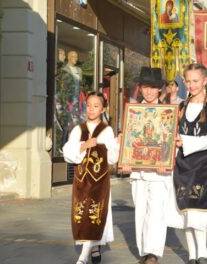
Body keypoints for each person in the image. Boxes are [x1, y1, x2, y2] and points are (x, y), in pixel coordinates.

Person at [168, 63, 207, 264]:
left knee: (198, 210)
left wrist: (186, 142)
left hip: (204, 166)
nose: (191, 85)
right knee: (185, 210)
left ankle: (203, 253)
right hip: (182, 163)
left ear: (205, 80)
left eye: (195, 81)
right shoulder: (181, 107)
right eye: (188, 81)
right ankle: (192, 255)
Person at [120, 67, 171, 264]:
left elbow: (170, 139)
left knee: (156, 211)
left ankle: (153, 253)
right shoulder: (133, 111)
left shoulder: (169, 112)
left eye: (153, 88)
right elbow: (126, 138)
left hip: (159, 173)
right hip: (138, 171)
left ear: (159, 89)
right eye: (145, 88)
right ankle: (144, 251)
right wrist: (124, 162)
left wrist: (165, 161)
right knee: (140, 210)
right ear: (140, 88)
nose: (148, 92)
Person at [62, 92, 120, 264]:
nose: (92, 109)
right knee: (82, 214)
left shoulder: (107, 130)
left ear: (103, 109)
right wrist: (84, 145)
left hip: (99, 181)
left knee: (95, 213)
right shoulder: (78, 130)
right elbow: (67, 153)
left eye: (96, 106)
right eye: (89, 105)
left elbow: (111, 158)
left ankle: (83, 256)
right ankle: (94, 246)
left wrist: (117, 144)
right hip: (81, 180)